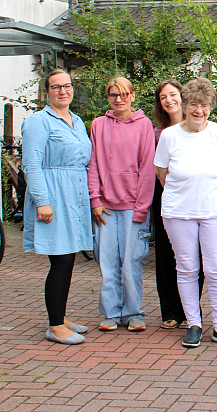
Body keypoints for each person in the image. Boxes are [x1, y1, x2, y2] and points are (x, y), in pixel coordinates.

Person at [154, 77, 217, 348]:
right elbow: (162, 175)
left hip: (214, 210)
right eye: (193, 104)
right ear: (184, 106)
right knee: (187, 268)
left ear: (210, 107)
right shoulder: (169, 136)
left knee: (216, 268)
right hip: (178, 212)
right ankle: (193, 324)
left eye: (204, 105)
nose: (199, 111)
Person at [22, 69, 92, 345]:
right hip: (53, 194)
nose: (63, 91)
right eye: (56, 87)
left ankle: (60, 317)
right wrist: (43, 201)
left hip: (73, 194)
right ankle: (54, 325)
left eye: (67, 86)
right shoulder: (38, 122)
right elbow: (32, 164)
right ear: (46, 92)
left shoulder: (76, 120)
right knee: (61, 259)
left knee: (69, 256)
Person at [88, 77, 156, 332]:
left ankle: (134, 312)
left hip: (132, 208)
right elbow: (93, 164)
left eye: (124, 94)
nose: (119, 99)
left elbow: (147, 169)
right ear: (108, 97)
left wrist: (141, 207)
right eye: (113, 95)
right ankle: (111, 313)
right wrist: (94, 199)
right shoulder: (98, 125)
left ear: (133, 95)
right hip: (105, 207)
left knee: (131, 262)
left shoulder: (144, 125)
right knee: (107, 263)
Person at [151, 79, 203, 330]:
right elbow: (157, 170)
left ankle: (190, 311)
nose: (169, 100)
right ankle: (171, 311)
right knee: (166, 254)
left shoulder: (198, 127)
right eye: (163, 97)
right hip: (165, 196)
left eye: (173, 95)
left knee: (196, 255)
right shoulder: (156, 133)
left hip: (196, 198)